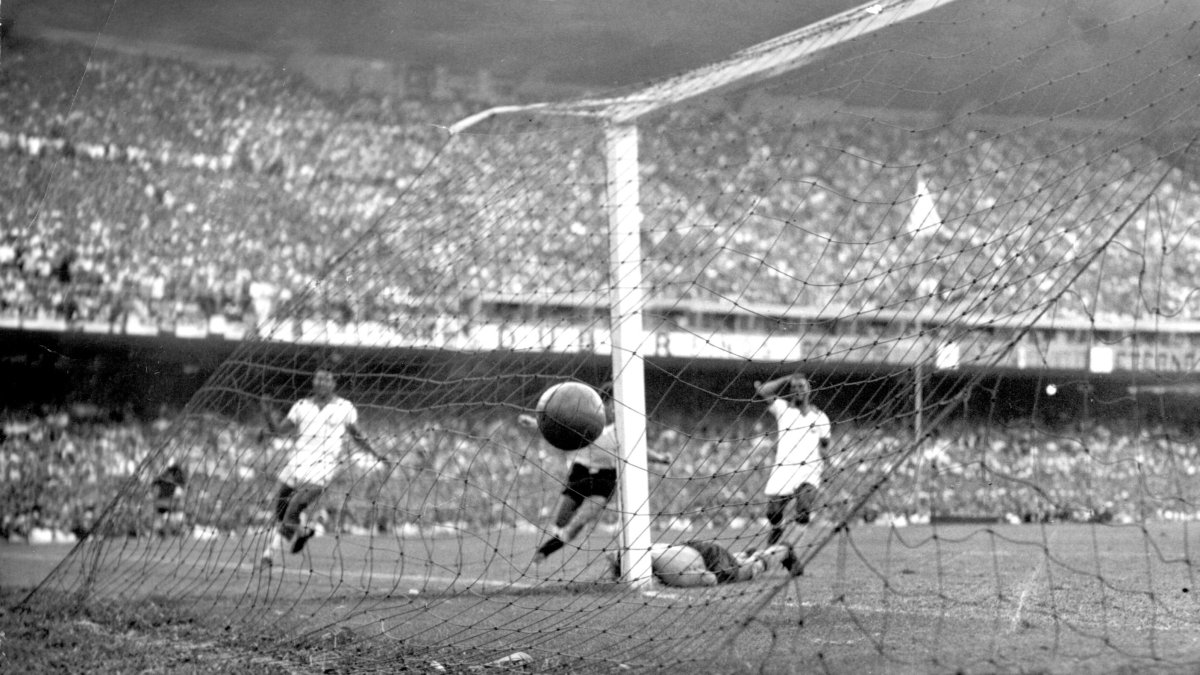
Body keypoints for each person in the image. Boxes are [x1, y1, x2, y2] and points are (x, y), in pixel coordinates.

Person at [518, 389, 671, 566]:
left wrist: (659, 458)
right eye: (611, 402)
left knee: (580, 521)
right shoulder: (586, 421)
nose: (614, 407)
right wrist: (534, 423)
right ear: (603, 404)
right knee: (560, 521)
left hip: (605, 479)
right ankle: (552, 543)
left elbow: (637, 449)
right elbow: (560, 427)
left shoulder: (622, 429)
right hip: (580, 473)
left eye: (617, 403)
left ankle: (544, 552)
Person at [259, 367, 388, 568]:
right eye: (318, 378)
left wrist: (375, 453)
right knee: (281, 510)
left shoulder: (345, 407)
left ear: (334, 383)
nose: (322, 382)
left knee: (295, 507)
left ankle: (269, 555)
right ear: (313, 381)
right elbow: (279, 431)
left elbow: (357, 435)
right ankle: (301, 531)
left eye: (326, 379)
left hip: (323, 466)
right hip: (297, 461)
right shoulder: (301, 406)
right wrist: (267, 413)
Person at [754, 371, 832, 546]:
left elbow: (826, 445)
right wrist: (786, 378)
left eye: (801, 386)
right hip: (784, 468)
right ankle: (778, 528)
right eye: (794, 387)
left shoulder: (820, 417)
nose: (797, 390)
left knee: (803, 509)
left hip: (809, 470)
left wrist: (827, 465)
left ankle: (792, 548)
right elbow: (762, 391)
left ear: (809, 389)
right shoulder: (782, 408)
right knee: (773, 512)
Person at [606, 540, 798, 587]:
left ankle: (783, 550)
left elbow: (710, 579)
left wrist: (665, 582)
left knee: (745, 571)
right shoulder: (645, 548)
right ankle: (746, 554)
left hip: (709, 559)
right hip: (694, 545)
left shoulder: (670, 572)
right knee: (731, 562)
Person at [151, 461, 187, 538]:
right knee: (161, 520)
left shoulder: (176, 487)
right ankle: (161, 532)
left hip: (171, 512)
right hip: (164, 510)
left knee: (180, 518)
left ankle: (173, 532)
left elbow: (178, 502)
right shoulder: (161, 483)